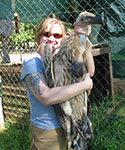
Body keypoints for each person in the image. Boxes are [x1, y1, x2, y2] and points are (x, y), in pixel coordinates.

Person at [20, 18, 94, 150]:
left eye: (57, 35)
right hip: (48, 131)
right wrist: (85, 85)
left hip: (71, 126)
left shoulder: (62, 56)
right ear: (39, 37)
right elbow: (46, 97)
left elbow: (90, 71)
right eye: (46, 34)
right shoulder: (32, 61)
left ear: (62, 39)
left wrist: (83, 38)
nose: (51, 39)